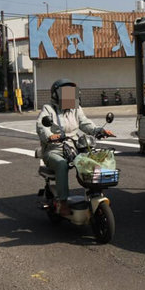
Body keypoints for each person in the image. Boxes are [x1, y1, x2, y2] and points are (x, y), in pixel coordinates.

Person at [36, 79, 114, 216]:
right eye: (65, 93)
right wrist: (49, 136)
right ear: (56, 94)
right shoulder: (48, 109)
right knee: (61, 165)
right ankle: (63, 202)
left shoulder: (76, 108)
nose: (70, 96)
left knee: (94, 160)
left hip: (74, 146)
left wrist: (98, 130)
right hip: (54, 149)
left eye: (72, 93)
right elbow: (41, 126)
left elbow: (85, 123)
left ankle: (95, 193)